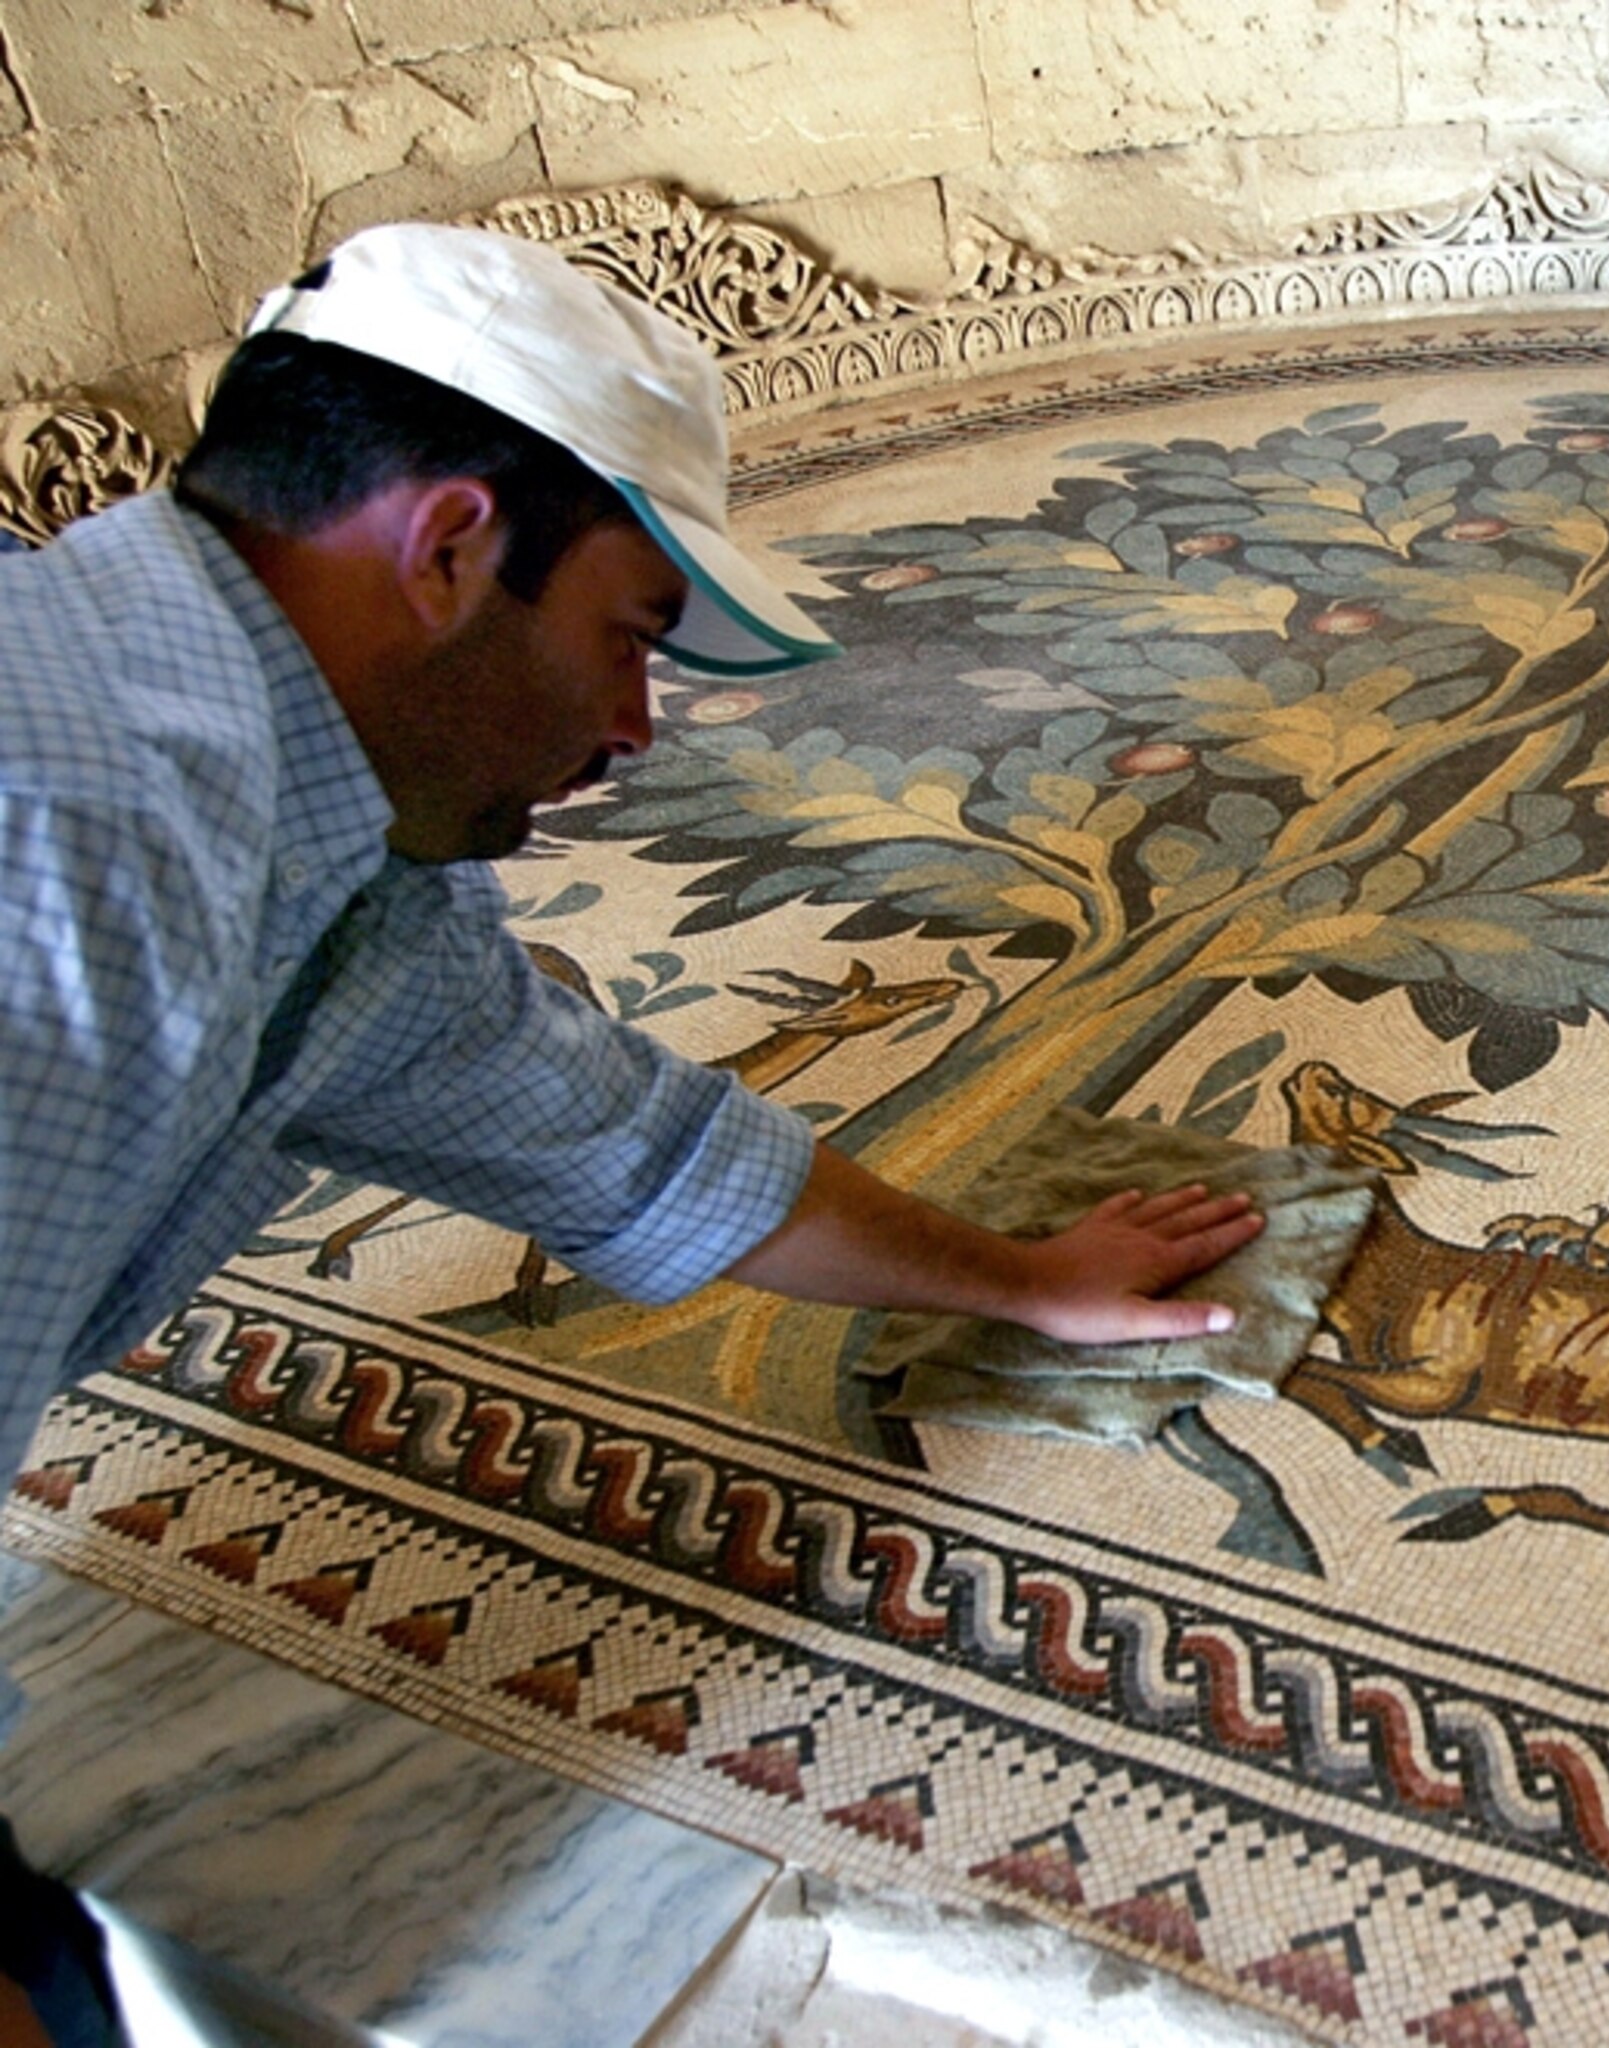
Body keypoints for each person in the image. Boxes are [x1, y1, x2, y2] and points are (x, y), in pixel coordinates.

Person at [0, 224, 1263, 2047]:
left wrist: (1030, 1282)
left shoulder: (333, 858)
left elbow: (638, 1150)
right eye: (627, 638)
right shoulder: (79, 847)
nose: (632, 728)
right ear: (446, 550)